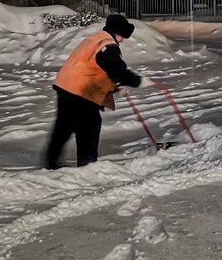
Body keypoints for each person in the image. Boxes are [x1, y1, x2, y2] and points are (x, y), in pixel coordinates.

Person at [43, 13, 151, 169]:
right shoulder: (107, 45)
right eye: (122, 35)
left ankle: (51, 164)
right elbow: (116, 70)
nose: (123, 39)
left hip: (65, 86)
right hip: (80, 92)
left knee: (64, 127)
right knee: (89, 126)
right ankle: (87, 166)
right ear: (116, 32)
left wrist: (114, 89)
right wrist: (137, 81)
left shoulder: (96, 38)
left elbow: (94, 69)